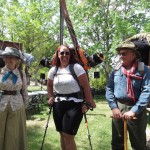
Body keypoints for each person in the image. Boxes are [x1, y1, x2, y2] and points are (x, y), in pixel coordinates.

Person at [47, 44, 96, 150]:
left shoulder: (76, 68)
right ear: (58, 55)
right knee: (62, 134)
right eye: (62, 53)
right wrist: (50, 97)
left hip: (74, 104)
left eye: (67, 53)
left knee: (68, 136)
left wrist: (87, 103)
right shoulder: (53, 70)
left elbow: (86, 87)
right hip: (58, 105)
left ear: (70, 55)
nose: (64, 55)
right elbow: (49, 85)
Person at [106, 41, 150, 150]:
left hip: (136, 109)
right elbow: (109, 88)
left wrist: (134, 111)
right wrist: (114, 107)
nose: (121, 56)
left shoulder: (142, 68)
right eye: (120, 54)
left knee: (138, 143)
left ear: (133, 54)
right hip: (118, 108)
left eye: (124, 53)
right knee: (117, 142)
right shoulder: (116, 69)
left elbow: (147, 91)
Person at [0, 47, 28, 150]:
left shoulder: (21, 73)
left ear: (17, 60)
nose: (10, 59)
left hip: (17, 105)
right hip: (1, 105)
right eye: (7, 57)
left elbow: (25, 91)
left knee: (13, 134)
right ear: (4, 59)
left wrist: (24, 106)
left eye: (13, 57)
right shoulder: (0, 72)